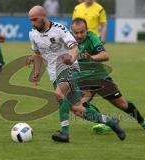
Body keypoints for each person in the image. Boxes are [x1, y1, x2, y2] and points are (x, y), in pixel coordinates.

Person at [27, 5, 126, 143]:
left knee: (59, 94)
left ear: (44, 16)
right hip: (54, 74)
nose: (33, 23)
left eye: (35, 19)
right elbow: (37, 54)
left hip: (69, 69)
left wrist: (71, 59)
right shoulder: (33, 34)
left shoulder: (59, 29)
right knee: (77, 109)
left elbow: (74, 49)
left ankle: (64, 133)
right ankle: (111, 122)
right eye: (30, 20)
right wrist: (36, 72)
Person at [71, 18, 145, 134]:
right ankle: (107, 122)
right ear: (72, 32)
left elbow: (105, 55)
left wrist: (92, 58)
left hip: (100, 78)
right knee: (79, 106)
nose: (79, 35)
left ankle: (142, 121)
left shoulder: (92, 38)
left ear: (87, 30)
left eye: (82, 32)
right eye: (76, 33)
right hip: (84, 81)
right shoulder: (68, 41)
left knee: (123, 105)